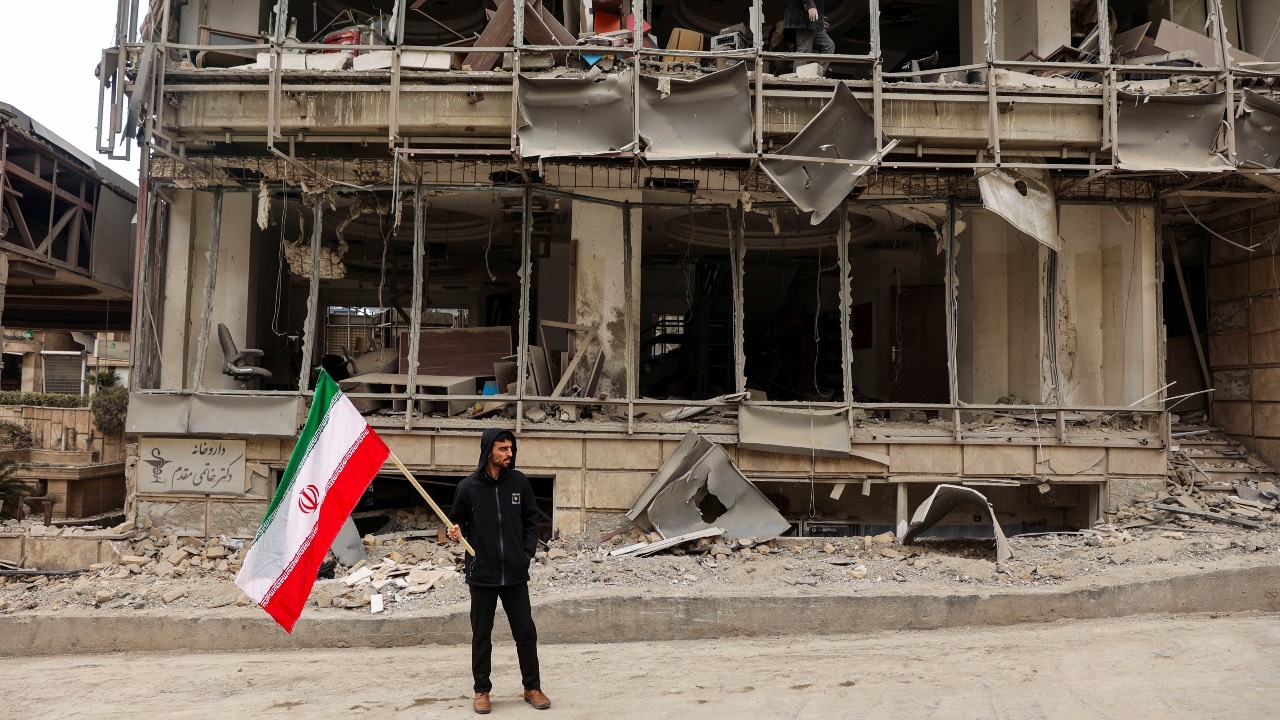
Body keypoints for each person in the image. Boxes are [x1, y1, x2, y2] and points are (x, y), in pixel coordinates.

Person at [447, 428, 549, 714]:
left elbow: (532, 521)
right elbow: (457, 523)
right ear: (489, 450)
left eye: (511, 448)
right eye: (503, 449)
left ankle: (532, 686)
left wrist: (525, 554)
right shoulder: (468, 487)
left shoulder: (519, 483)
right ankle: (481, 691)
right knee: (482, 634)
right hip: (482, 575)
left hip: (515, 574)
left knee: (526, 632)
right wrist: (454, 532)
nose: (509, 454)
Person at [784, 0, 835, 73]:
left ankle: (816, 74)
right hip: (803, 19)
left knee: (828, 45)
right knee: (804, 49)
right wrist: (810, 6)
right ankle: (798, 80)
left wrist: (819, 19)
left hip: (810, 20)